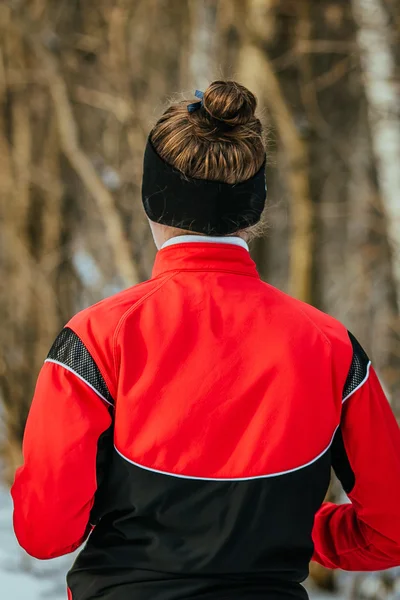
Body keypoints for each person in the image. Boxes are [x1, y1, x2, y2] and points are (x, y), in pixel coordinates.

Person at [11, 80, 400, 600]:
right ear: (254, 207)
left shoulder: (94, 339)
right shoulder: (332, 346)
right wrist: (300, 529)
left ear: (152, 197)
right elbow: (391, 530)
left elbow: (44, 533)